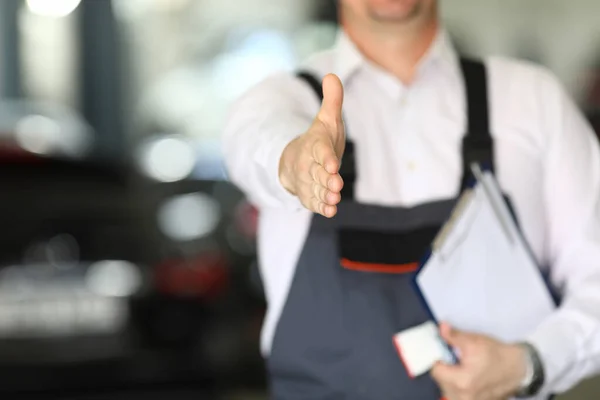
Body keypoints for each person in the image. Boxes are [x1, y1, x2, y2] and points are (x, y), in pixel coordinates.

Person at [222, 0, 600, 398]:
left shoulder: (535, 102)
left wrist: (530, 362)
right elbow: (256, 140)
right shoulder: (279, 100)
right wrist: (294, 162)